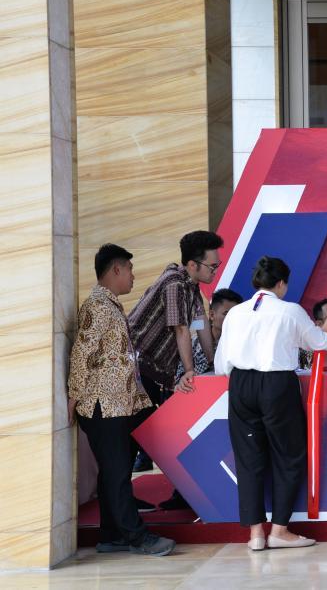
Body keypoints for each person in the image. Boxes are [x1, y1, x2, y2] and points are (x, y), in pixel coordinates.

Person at [214, 256, 327, 550]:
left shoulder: (235, 313)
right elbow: (322, 342)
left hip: (240, 385)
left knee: (248, 460)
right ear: (282, 283)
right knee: (288, 456)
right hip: (276, 385)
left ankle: (255, 535)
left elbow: (221, 364)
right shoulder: (290, 311)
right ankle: (279, 530)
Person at [67, 244, 175, 556]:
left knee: (114, 471)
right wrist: (74, 397)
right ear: (116, 270)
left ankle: (111, 535)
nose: (132, 276)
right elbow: (82, 354)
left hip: (117, 404)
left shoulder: (110, 305)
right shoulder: (98, 307)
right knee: (116, 473)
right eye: (129, 269)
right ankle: (136, 536)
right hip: (102, 406)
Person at [128, 230, 223, 508]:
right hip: (138, 368)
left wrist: (214, 364)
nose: (215, 271)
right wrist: (190, 371)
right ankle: (122, 501)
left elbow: (200, 325)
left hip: (157, 371)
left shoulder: (192, 288)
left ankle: (178, 495)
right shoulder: (174, 284)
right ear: (192, 264)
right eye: (212, 266)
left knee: (154, 431)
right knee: (136, 433)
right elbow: (180, 328)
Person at [179, 288, 243, 380]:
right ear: (212, 315)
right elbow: (180, 376)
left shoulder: (240, 345)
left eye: (236, 314)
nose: (232, 318)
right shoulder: (193, 343)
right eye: (226, 314)